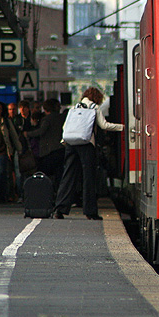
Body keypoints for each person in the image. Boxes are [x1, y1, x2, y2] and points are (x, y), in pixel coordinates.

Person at [54, 87, 123, 220]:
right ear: (97, 98)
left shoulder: (74, 107)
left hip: (71, 143)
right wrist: (121, 127)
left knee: (68, 176)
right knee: (88, 178)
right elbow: (104, 125)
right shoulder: (94, 108)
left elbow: (65, 127)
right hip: (86, 144)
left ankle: (60, 209)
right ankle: (90, 211)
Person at [26, 99, 66, 192]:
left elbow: (41, 131)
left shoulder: (47, 119)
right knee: (59, 174)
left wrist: (28, 134)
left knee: (43, 172)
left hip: (49, 151)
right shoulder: (63, 117)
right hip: (61, 149)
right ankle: (60, 194)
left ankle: (43, 193)